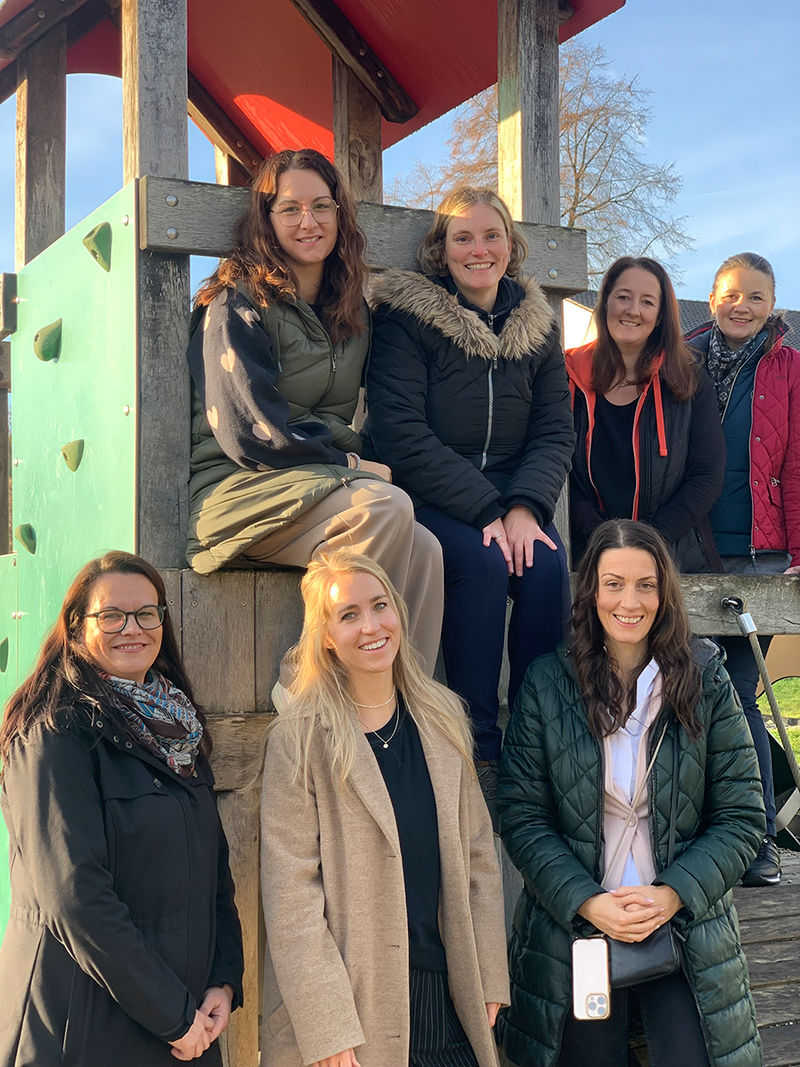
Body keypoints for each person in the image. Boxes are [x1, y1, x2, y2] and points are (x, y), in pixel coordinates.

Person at [497, 519, 765, 1067]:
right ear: (591, 590)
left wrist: (671, 895)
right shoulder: (548, 684)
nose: (630, 601)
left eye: (646, 584)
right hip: (576, 925)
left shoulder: (706, 681)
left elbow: (741, 819)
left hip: (686, 922)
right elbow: (523, 818)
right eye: (614, 583)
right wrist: (588, 902)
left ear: (664, 592)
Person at [187, 148, 443, 675]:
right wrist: (348, 466)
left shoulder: (353, 313)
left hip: (314, 492)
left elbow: (393, 409)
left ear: (340, 215)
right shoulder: (237, 301)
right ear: (266, 218)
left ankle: (401, 696)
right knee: (383, 507)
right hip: (237, 490)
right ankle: (306, 687)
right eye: (290, 209)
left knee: (427, 547)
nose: (309, 221)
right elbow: (250, 431)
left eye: (322, 206)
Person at [366, 186, 574, 814]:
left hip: (514, 498)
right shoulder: (408, 319)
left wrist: (523, 509)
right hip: (434, 493)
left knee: (545, 565)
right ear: (442, 248)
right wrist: (486, 508)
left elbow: (554, 430)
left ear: (511, 247)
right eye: (463, 237)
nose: (478, 249)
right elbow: (399, 430)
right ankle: (478, 740)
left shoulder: (537, 329)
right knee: (481, 565)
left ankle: (540, 739)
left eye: (491, 236)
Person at [260, 549, 509, 1067]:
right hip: (355, 1004)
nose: (370, 625)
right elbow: (291, 899)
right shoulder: (301, 738)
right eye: (348, 615)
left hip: (451, 994)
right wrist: (327, 1026)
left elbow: (480, 857)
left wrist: (488, 971)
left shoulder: (442, 718)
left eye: (380, 606)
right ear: (325, 636)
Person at [0, 552, 244, 1066]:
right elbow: (76, 897)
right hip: (84, 1027)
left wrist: (223, 979)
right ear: (75, 626)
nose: (131, 628)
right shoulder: (52, 733)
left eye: (146, 613)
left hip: (186, 1025)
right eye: (111, 615)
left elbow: (214, 871)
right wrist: (172, 1016)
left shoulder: (178, 729)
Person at [686, 251, 800, 886]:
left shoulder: (788, 369)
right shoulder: (682, 357)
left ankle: (754, 840)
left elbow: (799, 463)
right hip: (693, 544)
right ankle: (704, 832)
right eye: (731, 294)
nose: (742, 306)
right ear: (712, 296)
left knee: (734, 690)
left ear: (772, 303)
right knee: (687, 686)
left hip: (763, 552)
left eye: (756, 296)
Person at [567, 256, 725, 572]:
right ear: (606, 302)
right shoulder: (566, 375)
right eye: (623, 297)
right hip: (587, 557)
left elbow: (707, 474)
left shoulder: (690, 380)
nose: (633, 310)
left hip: (675, 558)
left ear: (661, 314)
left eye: (647, 301)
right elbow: (560, 474)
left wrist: (651, 540)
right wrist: (605, 539)